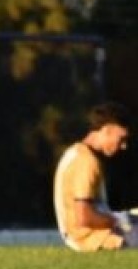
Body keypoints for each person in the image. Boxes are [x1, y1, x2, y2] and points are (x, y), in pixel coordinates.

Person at [53, 101, 137, 251]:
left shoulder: (76, 152)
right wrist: (116, 220)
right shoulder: (87, 162)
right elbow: (84, 216)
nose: (124, 146)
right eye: (121, 139)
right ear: (106, 130)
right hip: (94, 239)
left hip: (81, 237)